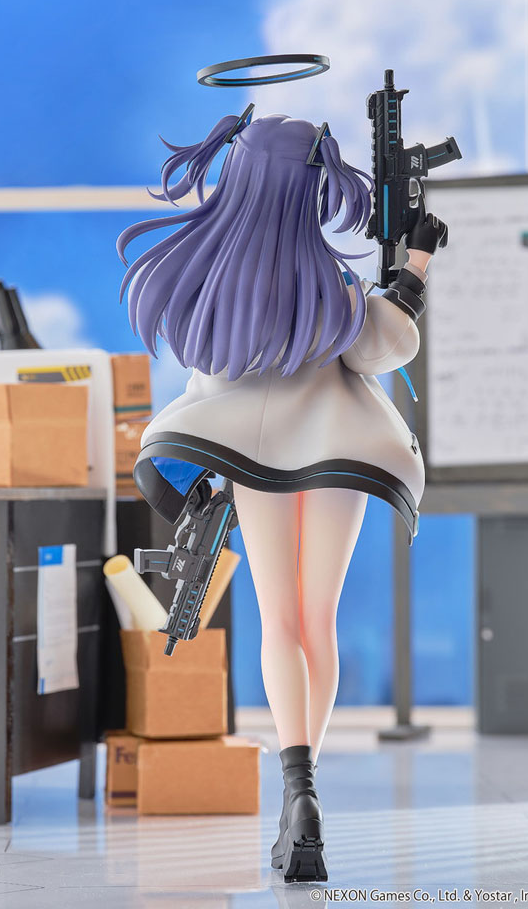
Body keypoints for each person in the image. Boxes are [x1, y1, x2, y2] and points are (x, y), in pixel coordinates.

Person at [116, 111, 446, 883]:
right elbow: (382, 347)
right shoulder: (332, 283)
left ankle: (296, 792)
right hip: (340, 453)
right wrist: (413, 270)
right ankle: (306, 794)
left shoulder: (213, 283)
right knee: (317, 620)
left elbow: (209, 373)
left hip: (254, 456)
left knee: (280, 620)